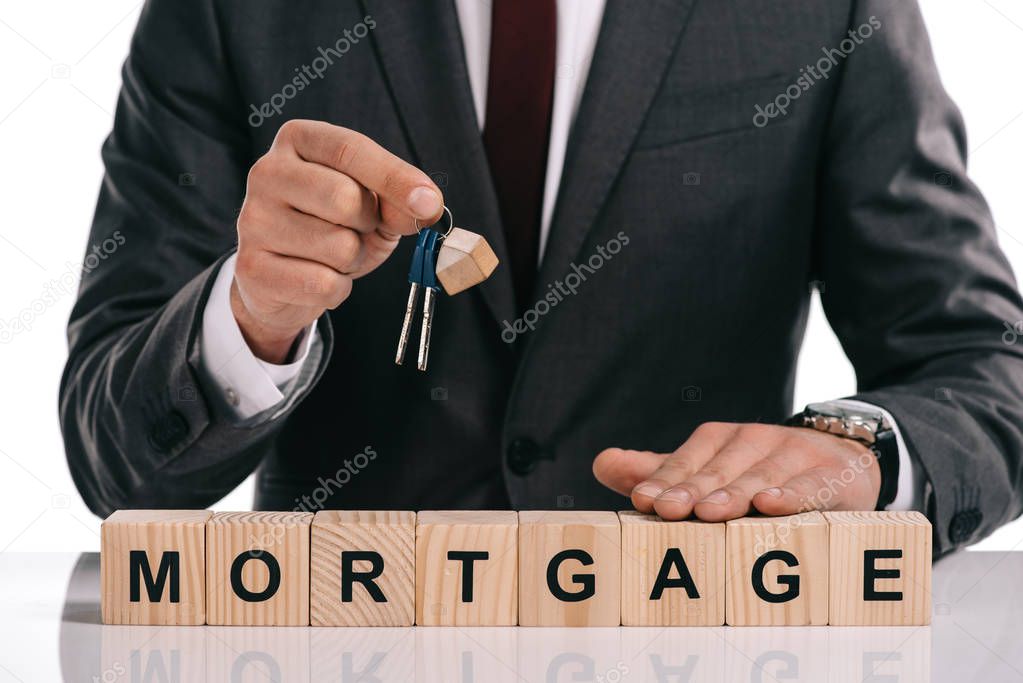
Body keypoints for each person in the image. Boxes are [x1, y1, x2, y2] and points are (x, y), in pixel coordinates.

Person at [60, 0, 1023, 556]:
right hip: (342, 637)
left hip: (698, 638)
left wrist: (862, 455)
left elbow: (987, 368)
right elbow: (116, 465)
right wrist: (250, 318)